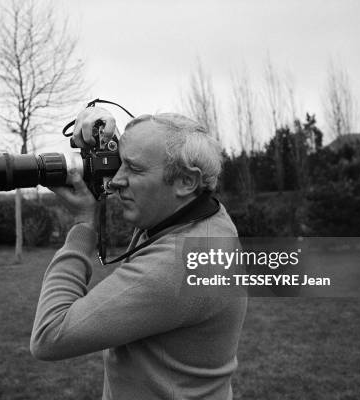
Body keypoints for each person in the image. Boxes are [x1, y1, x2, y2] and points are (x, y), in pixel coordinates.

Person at [30, 107, 247, 400]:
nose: (116, 180)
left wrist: (82, 225)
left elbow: (49, 336)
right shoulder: (206, 220)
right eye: (119, 163)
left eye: (133, 168)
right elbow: (156, 150)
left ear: (186, 181)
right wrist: (102, 126)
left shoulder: (177, 265)